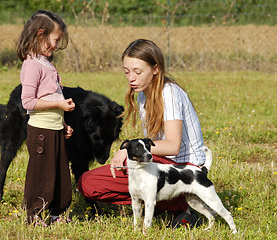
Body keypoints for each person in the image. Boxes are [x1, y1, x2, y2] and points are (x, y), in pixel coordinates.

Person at [78, 39, 206, 228]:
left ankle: (180, 209)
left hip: (184, 167)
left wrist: (125, 151)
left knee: (103, 176)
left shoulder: (169, 93)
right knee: (87, 183)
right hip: (157, 162)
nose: (131, 78)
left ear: (155, 69)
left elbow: (172, 145)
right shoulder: (142, 95)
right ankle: (158, 201)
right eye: (127, 72)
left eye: (138, 72)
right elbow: (153, 142)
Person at [17, 10, 75, 226]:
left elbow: (51, 96)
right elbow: (28, 102)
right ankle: (34, 214)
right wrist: (59, 104)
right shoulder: (32, 64)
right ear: (41, 35)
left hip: (54, 129)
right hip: (41, 132)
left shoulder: (46, 64)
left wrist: (63, 123)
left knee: (60, 173)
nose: (57, 45)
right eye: (55, 39)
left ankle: (56, 213)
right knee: (42, 174)